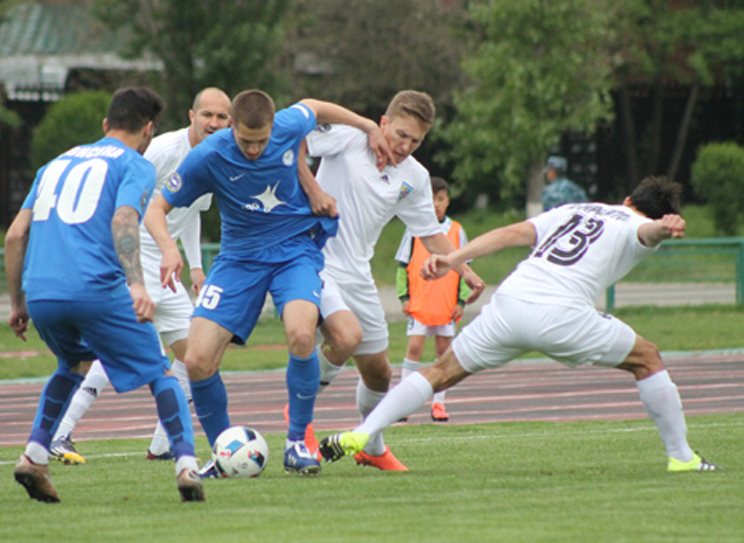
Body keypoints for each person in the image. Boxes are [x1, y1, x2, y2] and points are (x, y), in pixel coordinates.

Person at [319, 176, 719, 473]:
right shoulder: (633, 224)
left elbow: (511, 233)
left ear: (627, 198)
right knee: (647, 358)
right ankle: (682, 458)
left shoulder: (575, 209)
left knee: (439, 372)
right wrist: (663, 228)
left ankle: (366, 431)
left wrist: (453, 259)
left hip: (509, 302)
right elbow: (645, 232)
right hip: (562, 314)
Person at [143, 89, 394, 478]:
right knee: (196, 360)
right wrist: (168, 249)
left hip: (295, 251)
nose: (255, 149)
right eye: (245, 141)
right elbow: (157, 209)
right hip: (238, 260)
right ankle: (224, 453)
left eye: (261, 141)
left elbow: (314, 105)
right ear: (232, 129)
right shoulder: (210, 155)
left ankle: (296, 443)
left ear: (274, 128)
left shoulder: (289, 125)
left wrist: (365, 126)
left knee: (300, 332)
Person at [5, 87, 204, 504]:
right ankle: (186, 465)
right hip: (95, 287)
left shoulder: (53, 164)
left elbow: (14, 235)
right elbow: (124, 217)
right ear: (149, 129)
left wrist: (18, 304)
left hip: (42, 293)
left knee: (72, 365)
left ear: (105, 124)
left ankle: (34, 455)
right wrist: (135, 283)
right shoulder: (135, 164)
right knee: (161, 372)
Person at [296, 90, 484, 471]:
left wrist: (464, 268)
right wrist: (313, 187)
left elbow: (429, 232)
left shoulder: (415, 177)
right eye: (400, 134)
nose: (404, 145)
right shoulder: (349, 138)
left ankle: (371, 444)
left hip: (358, 274)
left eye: (415, 140)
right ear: (383, 122)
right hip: (314, 262)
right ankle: (299, 422)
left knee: (380, 374)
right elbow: (295, 133)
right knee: (344, 339)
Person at [48, 87, 232, 465]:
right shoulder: (164, 150)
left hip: (168, 267)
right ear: (191, 116)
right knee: (114, 349)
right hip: (137, 259)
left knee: (195, 355)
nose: (214, 123)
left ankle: (164, 444)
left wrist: (194, 265)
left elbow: (191, 212)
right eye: (207, 115)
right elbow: (123, 194)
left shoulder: (216, 156)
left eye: (222, 117)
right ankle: (60, 433)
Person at [395, 176, 470, 423]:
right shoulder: (414, 229)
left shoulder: (457, 231)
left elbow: (465, 267)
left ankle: (439, 404)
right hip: (420, 302)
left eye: (440, 199)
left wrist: (461, 301)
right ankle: (403, 403)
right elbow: (402, 265)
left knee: (443, 353)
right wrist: (403, 296)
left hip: (446, 303)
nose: (435, 204)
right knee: (414, 348)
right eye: (431, 199)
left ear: (447, 202)